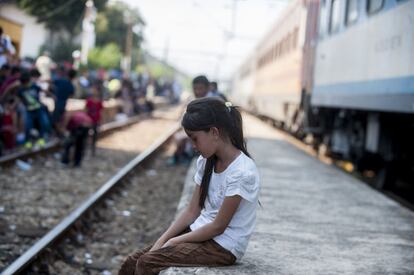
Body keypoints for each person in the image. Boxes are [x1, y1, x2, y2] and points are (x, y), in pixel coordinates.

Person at [119, 97, 261, 275]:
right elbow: (192, 211)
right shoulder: (206, 161)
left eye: (195, 139)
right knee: (132, 262)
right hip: (201, 231)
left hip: (223, 246)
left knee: (147, 263)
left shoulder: (242, 172)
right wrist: (162, 240)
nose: (193, 146)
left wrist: (174, 242)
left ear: (214, 132)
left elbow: (218, 226)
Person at [85, 83, 103, 156]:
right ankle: (85, 149)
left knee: (95, 136)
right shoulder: (89, 101)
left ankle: (93, 150)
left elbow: (101, 112)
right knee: (86, 135)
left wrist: (101, 121)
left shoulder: (99, 102)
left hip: (96, 121)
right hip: (89, 120)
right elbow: (86, 110)